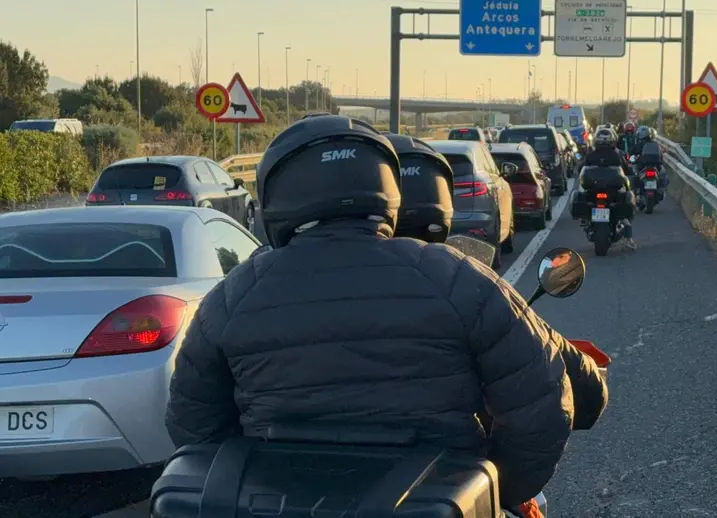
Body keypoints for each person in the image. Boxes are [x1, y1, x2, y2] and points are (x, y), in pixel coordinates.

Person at [164, 115, 608, 518]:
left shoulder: (234, 293)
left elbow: (193, 424)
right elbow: (544, 403)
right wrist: (492, 491)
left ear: (276, 195)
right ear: (387, 187)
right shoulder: (454, 275)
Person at [579, 132, 637, 250]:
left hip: (594, 191)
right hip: (611, 192)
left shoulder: (591, 155)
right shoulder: (615, 155)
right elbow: (625, 168)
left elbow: (581, 167)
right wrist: (630, 171)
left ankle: (627, 237)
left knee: (623, 206)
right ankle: (628, 238)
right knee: (625, 211)